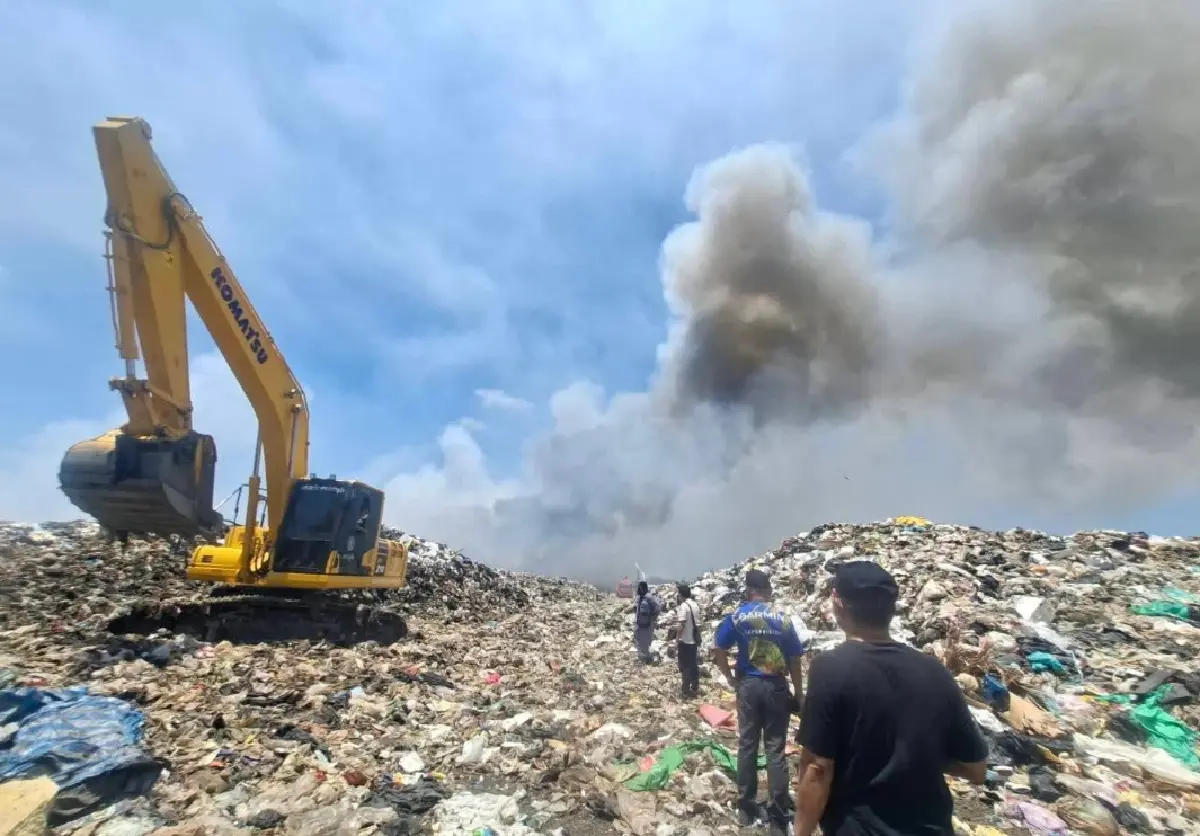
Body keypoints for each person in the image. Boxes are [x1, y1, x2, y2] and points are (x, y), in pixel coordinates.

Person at [793, 561, 989, 836]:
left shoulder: (830, 668)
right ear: (891, 609)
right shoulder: (934, 670)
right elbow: (976, 770)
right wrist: (917, 753)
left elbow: (818, 769)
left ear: (838, 604)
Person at [712, 569, 806, 834]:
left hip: (749, 686)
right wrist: (798, 693)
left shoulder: (737, 616)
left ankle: (746, 806)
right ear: (766, 591)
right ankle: (778, 812)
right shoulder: (782, 619)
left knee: (748, 744)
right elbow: (795, 659)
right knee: (775, 749)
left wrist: (730, 677)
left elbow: (719, 648)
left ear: (747, 590)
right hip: (776, 686)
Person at [673, 583, 702, 697]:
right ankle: (695, 686)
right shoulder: (695, 605)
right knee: (693, 664)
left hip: (685, 640)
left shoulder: (684, 606)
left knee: (685, 666)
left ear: (681, 594)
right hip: (693, 640)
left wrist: (677, 639)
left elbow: (682, 625)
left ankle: (685, 689)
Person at [633, 581, 661, 663]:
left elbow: (658, 608)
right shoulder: (639, 598)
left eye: (642, 587)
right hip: (639, 623)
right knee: (638, 639)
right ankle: (641, 656)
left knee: (646, 640)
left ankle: (647, 657)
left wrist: (653, 618)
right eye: (639, 587)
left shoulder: (649, 598)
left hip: (647, 624)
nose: (640, 589)